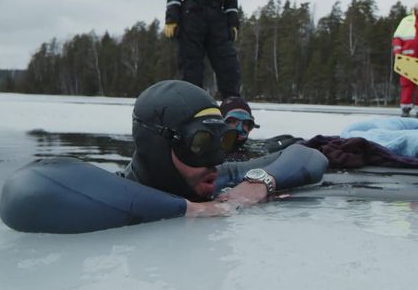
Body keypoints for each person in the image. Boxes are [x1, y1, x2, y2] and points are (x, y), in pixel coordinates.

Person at [121, 80, 328, 217]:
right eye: (200, 144)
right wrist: (189, 209)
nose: (217, 160)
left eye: (222, 142)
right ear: (157, 147)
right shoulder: (117, 191)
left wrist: (259, 183)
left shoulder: (213, 177)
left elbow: (308, 156)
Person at [220, 96, 305, 161]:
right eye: (232, 121)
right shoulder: (209, 153)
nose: (239, 129)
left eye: (246, 123)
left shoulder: (255, 152)